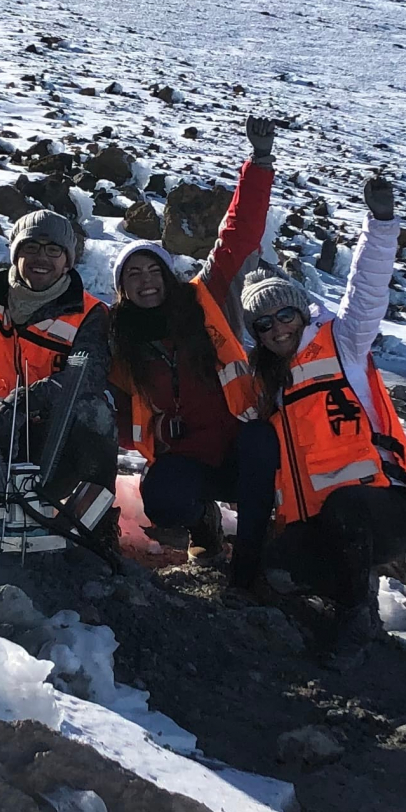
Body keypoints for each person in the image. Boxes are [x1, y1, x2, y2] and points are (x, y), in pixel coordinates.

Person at [243, 173, 406, 658]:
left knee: (345, 510)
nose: (278, 329)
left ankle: (354, 619)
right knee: (280, 571)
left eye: (284, 315)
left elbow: (367, 288)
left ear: (301, 312)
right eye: (263, 325)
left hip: (383, 510)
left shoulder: (344, 343)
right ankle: (356, 589)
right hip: (320, 523)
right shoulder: (269, 386)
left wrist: (381, 224)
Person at [106, 115, 277, 584]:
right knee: (162, 499)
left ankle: (251, 559)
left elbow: (237, 238)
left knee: (265, 447)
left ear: (167, 274)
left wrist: (258, 164)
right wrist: (155, 425)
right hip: (186, 454)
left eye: (152, 271)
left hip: (240, 442)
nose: (145, 282)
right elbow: (117, 409)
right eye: (133, 276)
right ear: (123, 289)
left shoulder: (208, 298)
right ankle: (205, 527)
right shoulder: (122, 340)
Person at [0, 206, 115, 520]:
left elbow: (89, 376)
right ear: (16, 253)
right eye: (31, 247)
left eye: (53, 250)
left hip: (46, 439)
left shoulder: (90, 313)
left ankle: (96, 526)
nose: (41, 258)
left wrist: (24, 402)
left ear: (67, 260)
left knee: (95, 414)